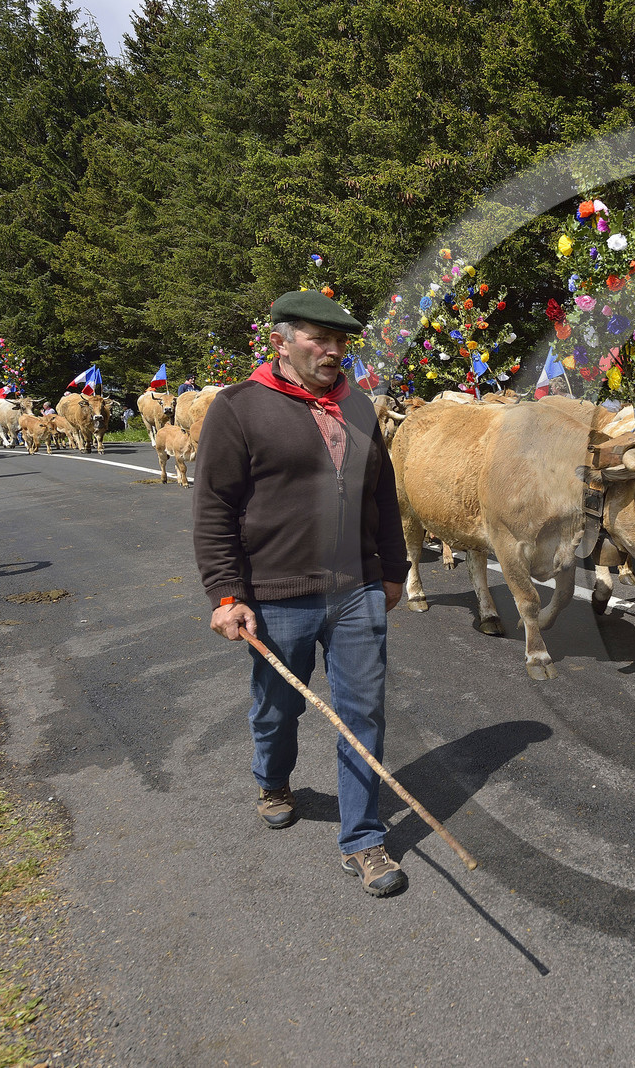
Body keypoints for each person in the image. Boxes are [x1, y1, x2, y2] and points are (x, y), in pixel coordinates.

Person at [193, 291, 412, 897]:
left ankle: (363, 839)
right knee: (278, 708)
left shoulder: (361, 407)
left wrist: (392, 570)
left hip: (358, 591)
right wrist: (225, 594)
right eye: (318, 337)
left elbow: (382, 498)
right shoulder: (238, 409)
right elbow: (214, 508)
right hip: (276, 593)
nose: (332, 349)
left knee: (362, 712)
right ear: (283, 340)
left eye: (340, 340)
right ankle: (273, 779)